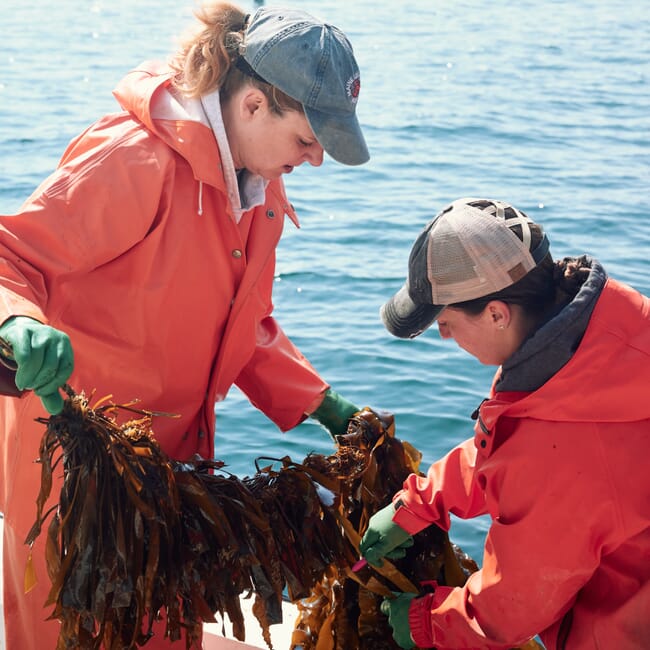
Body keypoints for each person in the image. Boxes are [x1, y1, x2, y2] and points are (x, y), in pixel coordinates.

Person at [0, 3, 370, 647]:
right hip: (72, 468)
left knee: (169, 630)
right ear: (254, 105)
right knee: (71, 633)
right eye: (308, 140)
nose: (313, 161)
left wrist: (319, 401)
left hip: (168, 471)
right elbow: (13, 255)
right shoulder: (134, 158)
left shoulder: (256, 188)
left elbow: (244, 325)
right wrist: (18, 320)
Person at [359, 198, 650, 649]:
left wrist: (427, 624)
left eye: (447, 321)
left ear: (496, 313)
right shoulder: (589, 342)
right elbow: (512, 448)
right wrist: (424, 500)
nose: (444, 335)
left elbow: (518, 600)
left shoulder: (567, 441)